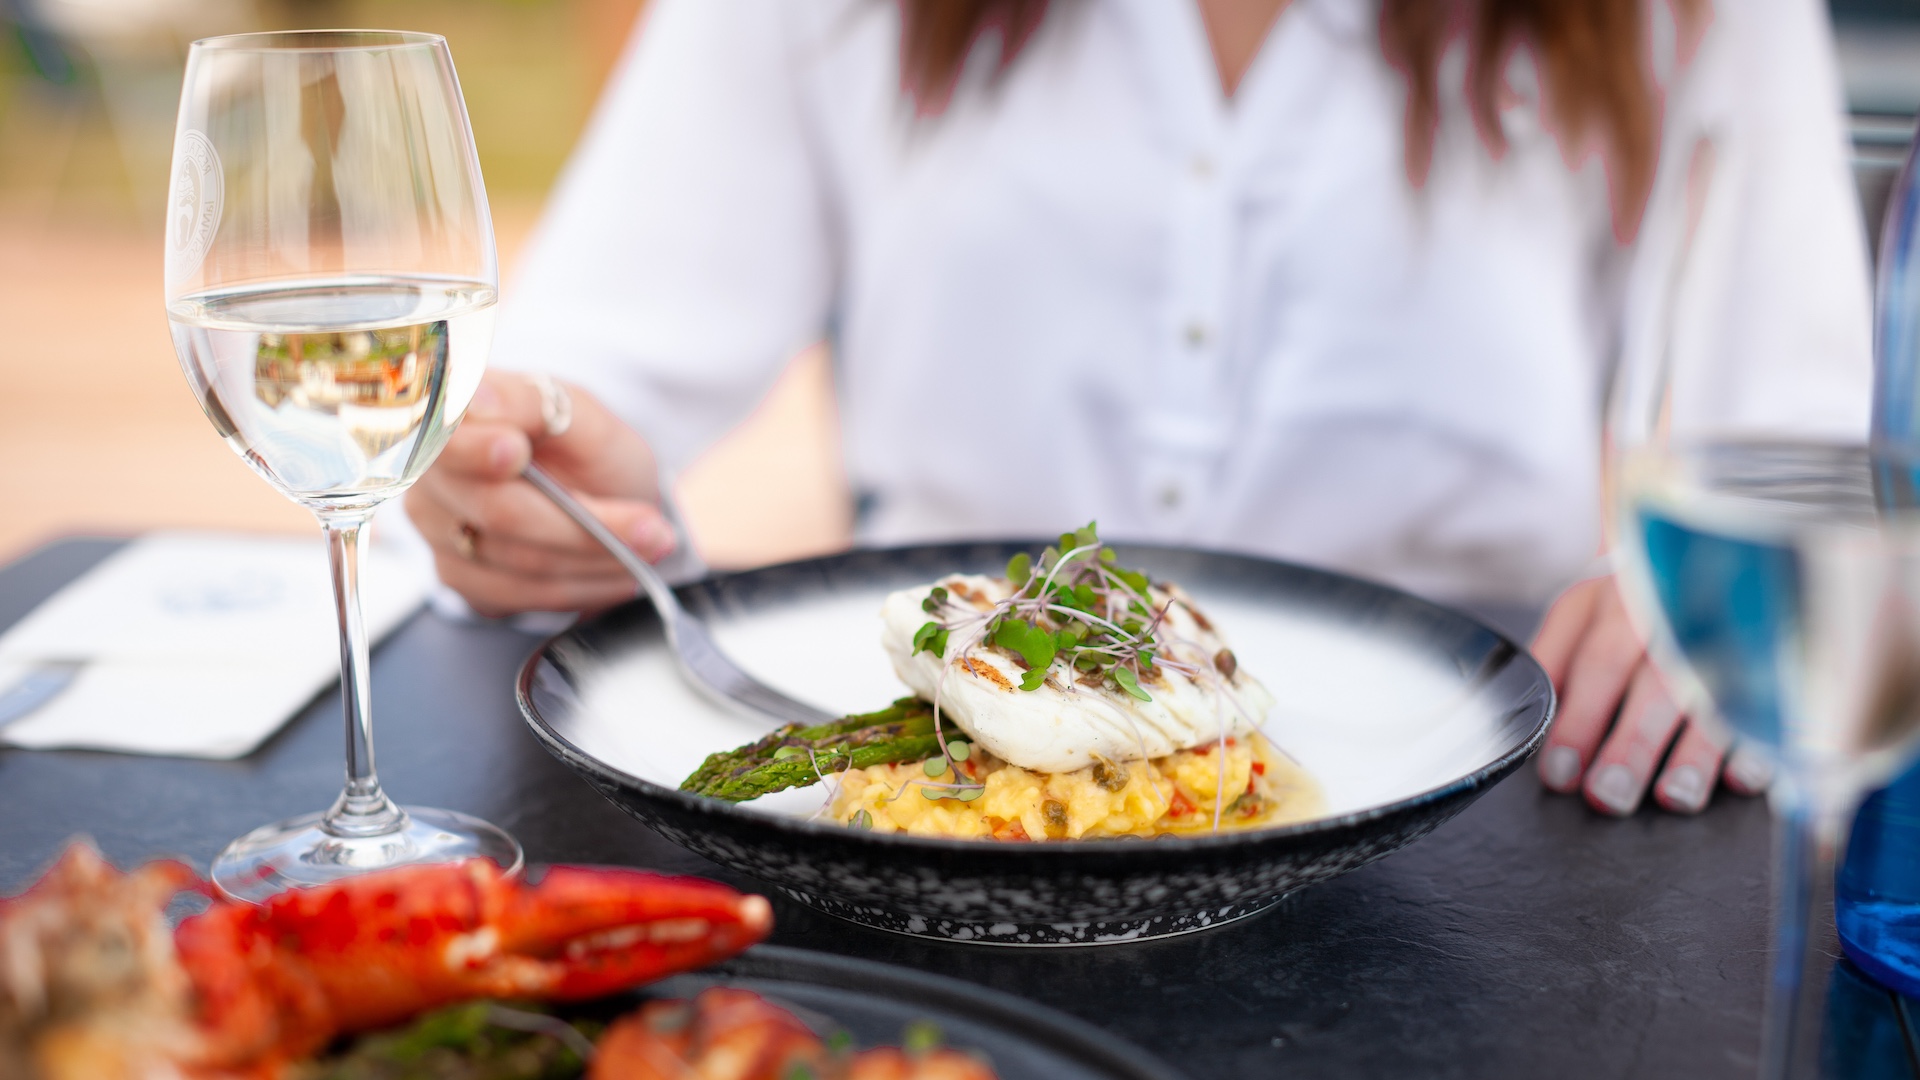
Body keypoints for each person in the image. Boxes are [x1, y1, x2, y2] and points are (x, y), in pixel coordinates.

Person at [404, 0, 1870, 818]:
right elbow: (581, 374)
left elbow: (1801, 467)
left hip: (1500, 826)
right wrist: (525, 474)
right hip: (924, 820)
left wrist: (1736, 601)